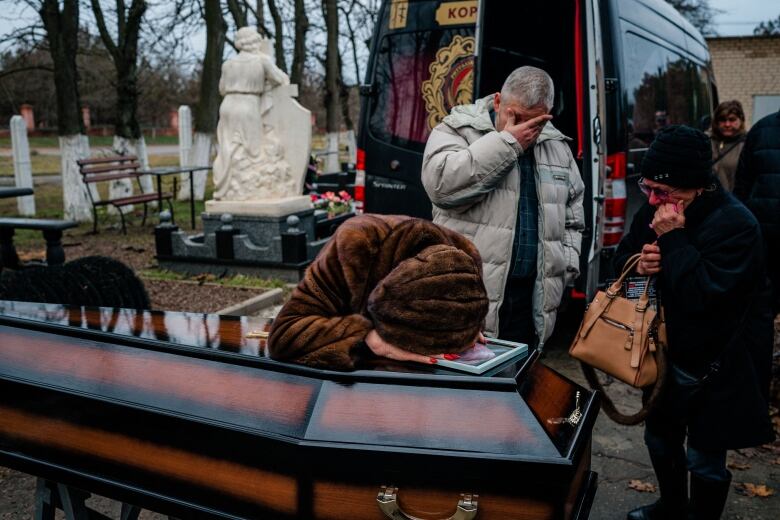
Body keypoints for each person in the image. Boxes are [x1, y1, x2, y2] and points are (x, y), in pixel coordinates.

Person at [615, 125, 774, 520]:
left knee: (704, 457)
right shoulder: (657, 211)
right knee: (660, 439)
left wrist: (672, 241)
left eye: (663, 193)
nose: (652, 201)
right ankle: (670, 507)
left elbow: (705, 297)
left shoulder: (737, 224)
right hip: (665, 354)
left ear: (697, 186)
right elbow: (620, 264)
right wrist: (639, 267)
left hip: (717, 365)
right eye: (647, 189)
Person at [421, 66, 584, 348]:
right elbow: (441, 187)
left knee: (520, 382)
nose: (525, 128)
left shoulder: (557, 147)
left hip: (529, 298)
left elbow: (573, 214)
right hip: (466, 294)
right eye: (515, 116)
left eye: (536, 122)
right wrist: (508, 144)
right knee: (467, 388)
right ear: (497, 101)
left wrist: (563, 267)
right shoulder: (457, 129)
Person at [268, 214, 489, 370]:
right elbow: (284, 335)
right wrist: (367, 338)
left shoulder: (464, 253)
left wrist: (465, 326)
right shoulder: (353, 245)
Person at [212, 27, 290, 201]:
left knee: (227, 147)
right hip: (248, 104)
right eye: (256, 40)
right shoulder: (262, 61)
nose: (257, 44)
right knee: (253, 149)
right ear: (251, 42)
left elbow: (222, 88)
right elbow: (280, 79)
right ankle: (248, 188)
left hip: (228, 106)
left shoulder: (228, 64)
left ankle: (224, 187)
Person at [734, 109, 780, 313]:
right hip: (762, 232)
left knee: (762, 301)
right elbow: (743, 185)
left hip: (761, 231)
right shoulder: (761, 130)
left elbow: (742, 186)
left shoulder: (760, 129)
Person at [709, 100, 747, 192]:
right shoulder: (707, 142)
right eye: (722, 120)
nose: (727, 124)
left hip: (735, 201)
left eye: (732, 119)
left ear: (741, 120)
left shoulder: (748, 144)